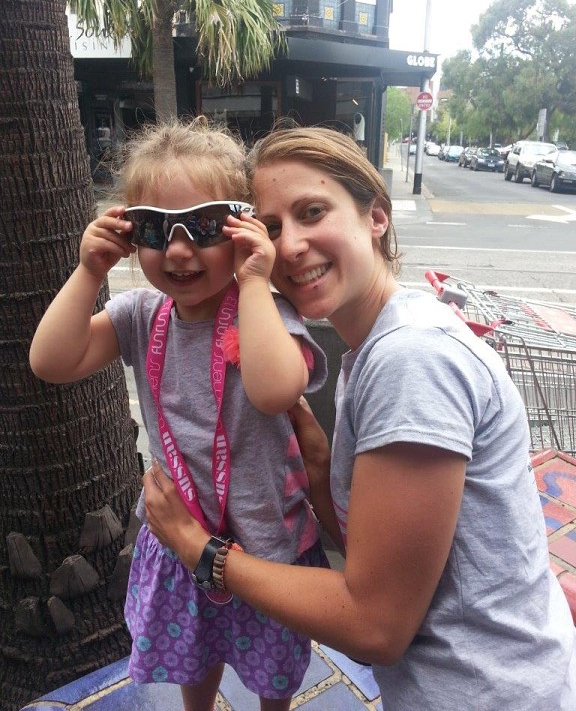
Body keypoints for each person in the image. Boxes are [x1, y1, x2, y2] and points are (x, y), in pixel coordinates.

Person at [142, 125, 576, 710]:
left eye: (312, 212)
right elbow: (388, 556)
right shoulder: (375, 345)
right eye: (271, 228)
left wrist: (198, 549)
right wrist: (323, 478)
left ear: (376, 216)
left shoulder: (411, 361)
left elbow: (374, 626)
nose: (290, 247)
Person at [29, 119, 330, 711]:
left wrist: (253, 281)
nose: (178, 249)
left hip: (269, 545)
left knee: (273, 674)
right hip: (180, 540)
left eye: (206, 225)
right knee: (196, 655)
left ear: (243, 229)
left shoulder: (265, 313)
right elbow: (51, 361)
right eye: (154, 227)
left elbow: (275, 391)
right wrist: (90, 271)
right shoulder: (142, 315)